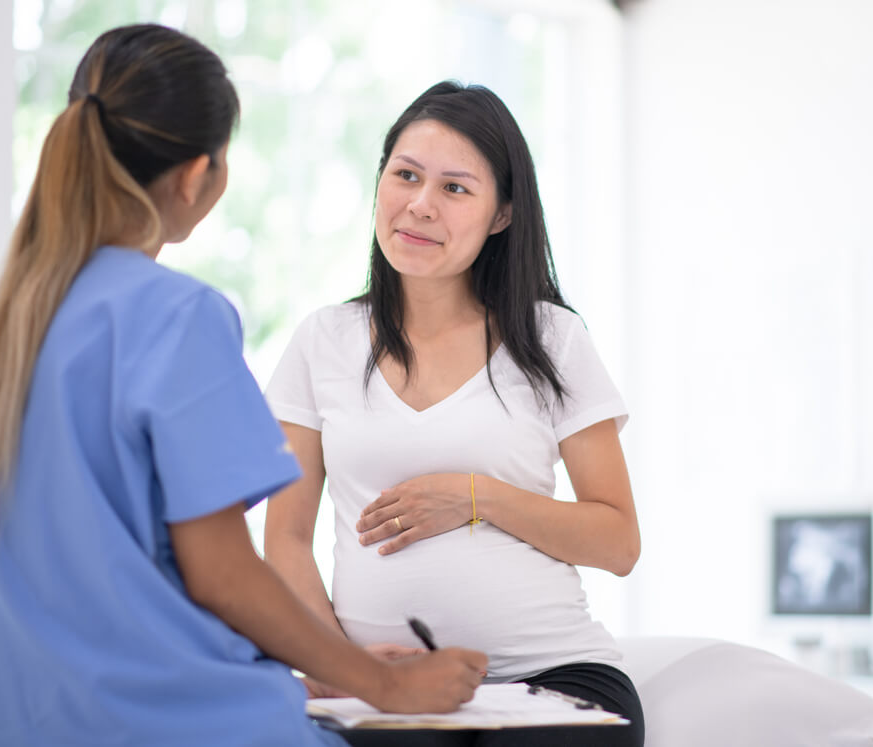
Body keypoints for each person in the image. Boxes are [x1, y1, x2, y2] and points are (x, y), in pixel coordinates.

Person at [0, 25, 485, 747]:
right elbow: (220, 573)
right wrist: (384, 683)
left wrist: (322, 667)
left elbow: (98, 589)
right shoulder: (176, 317)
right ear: (198, 176)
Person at [263, 81, 644, 746]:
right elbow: (286, 539)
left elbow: (617, 542)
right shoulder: (322, 341)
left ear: (501, 215)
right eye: (405, 175)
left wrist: (477, 497)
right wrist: (341, 665)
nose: (419, 204)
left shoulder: (551, 339)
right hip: (383, 691)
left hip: (553, 676)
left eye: (455, 188)